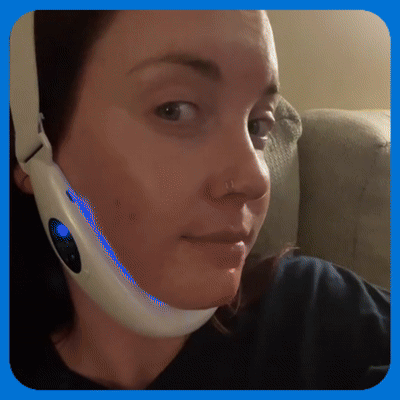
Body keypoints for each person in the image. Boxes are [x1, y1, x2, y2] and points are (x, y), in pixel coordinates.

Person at [10, 10, 390, 390]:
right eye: (174, 110)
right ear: (34, 152)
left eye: (258, 125)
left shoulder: (316, 312)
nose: (256, 180)